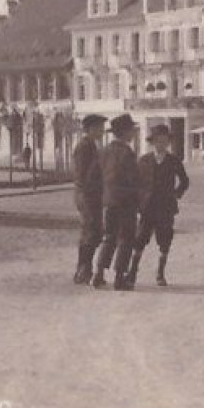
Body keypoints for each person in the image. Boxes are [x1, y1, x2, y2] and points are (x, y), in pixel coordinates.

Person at [130, 125, 191, 287]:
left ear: (168, 142)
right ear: (153, 142)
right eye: (158, 141)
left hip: (165, 207)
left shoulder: (173, 161)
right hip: (147, 208)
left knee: (165, 240)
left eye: (165, 141)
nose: (161, 144)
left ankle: (160, 273)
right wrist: (138, 201)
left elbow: (185, 181)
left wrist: (176, 194)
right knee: (140, 239)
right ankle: (132, 272)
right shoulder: (144, 161)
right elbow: (135, 183)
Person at [92, 113, 141, 291]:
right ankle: (120, 277)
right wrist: (139, 202)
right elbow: (133, 180)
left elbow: (95, 177)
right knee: (126, 239)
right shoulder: (127, 153)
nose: (133, 134)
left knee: (109, 237)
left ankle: (98, 274)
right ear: (125, 132)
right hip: (126, 202)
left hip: (109, 202)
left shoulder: (103, 151)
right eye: (131, 131)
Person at [70, 113, 106, 285]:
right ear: (90, 129)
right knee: (91, 231)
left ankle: (84, 269)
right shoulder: (84, 147)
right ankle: (83, 270)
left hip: (91, 195)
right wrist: (88, 194)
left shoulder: (91, 145)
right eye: (99, 127)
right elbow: (81, 175)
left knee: (93, 232)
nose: (102, 130)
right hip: (86, 195)